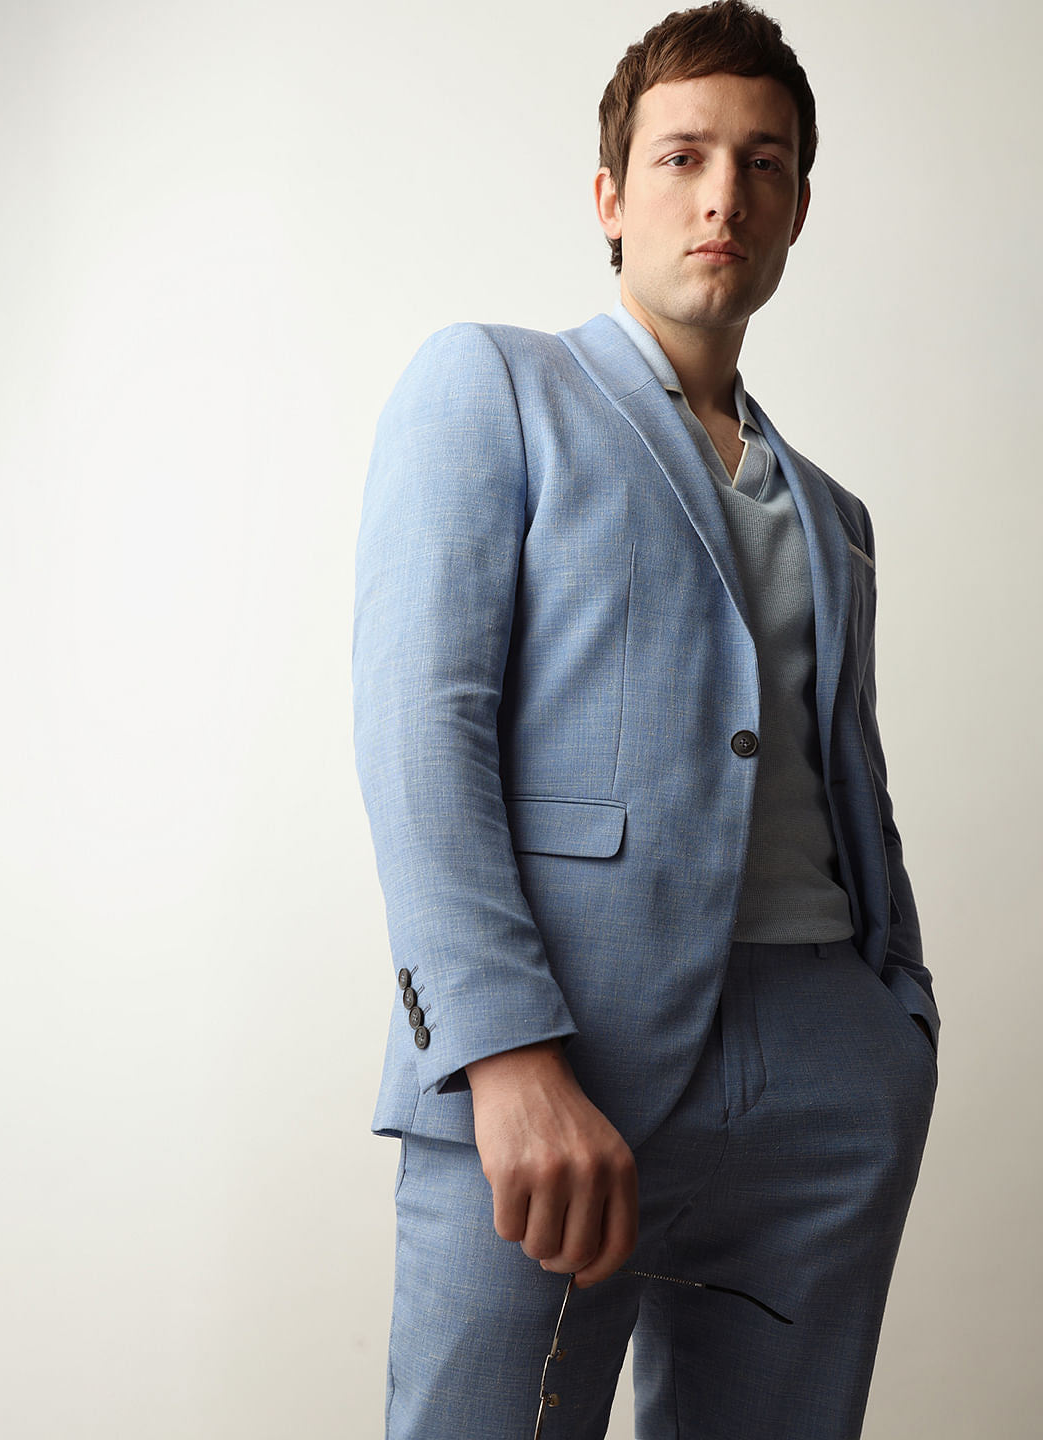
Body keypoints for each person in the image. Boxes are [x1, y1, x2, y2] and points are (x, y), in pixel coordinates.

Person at [353, 3, 938, 1436]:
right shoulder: (495, 385)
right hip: (565, 1055)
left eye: (763, 162)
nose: (723, 194)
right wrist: (504, 1055)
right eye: (683, 157)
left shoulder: (836, 515)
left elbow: (845, 778)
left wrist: (896, 1028)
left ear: (797, 207)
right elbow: (422, 729)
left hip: (824, 1072)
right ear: (613, 197)